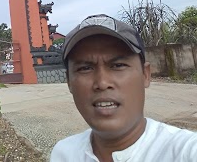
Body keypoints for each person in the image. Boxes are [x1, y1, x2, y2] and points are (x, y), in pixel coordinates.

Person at [50, 14, 197, 162]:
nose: (102, 83)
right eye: (85, 68)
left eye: (118, 65)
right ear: (69, 82)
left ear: (145, 75)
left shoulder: (183, 151)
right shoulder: (64, 154)